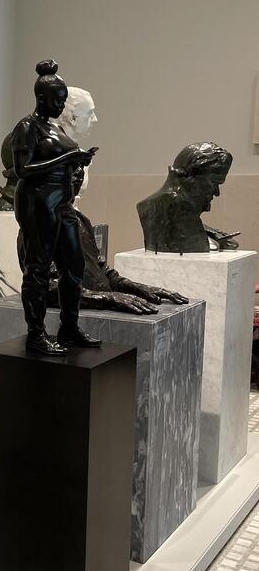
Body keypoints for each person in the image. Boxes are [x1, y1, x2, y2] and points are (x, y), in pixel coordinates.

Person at [12, 59, 99, 355]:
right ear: (41, 98)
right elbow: (23, 169)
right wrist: (67, 158)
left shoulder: (54, 130)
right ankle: (36, 333)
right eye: (58, 100)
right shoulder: (27, 127)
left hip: (62, 204)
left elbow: (63, 160)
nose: (62, 105)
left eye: (64, 100)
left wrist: (78, 160)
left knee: (74, 267)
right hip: (37, 203)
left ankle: (69, 328)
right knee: (37, 269)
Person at [48, 166, 189, 314]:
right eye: (72, 170)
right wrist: (108, 298)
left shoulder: (80, 220)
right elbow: (49, 287)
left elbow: (100, 270)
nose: (79, 176)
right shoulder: (40, 225)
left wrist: (138, 288)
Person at [137, 142, 237, 253]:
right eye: (214, 183)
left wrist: (210, 233)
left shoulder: (165, 207)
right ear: (192, 177)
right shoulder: (178, 209)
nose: (217, 193)